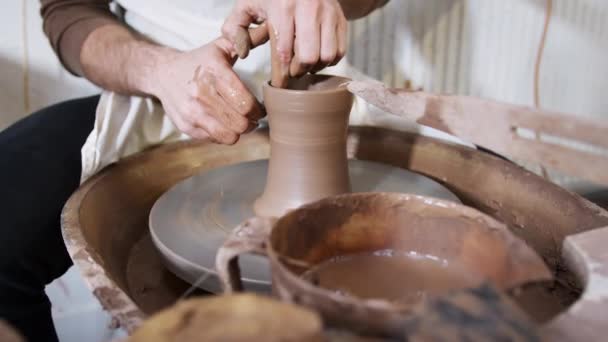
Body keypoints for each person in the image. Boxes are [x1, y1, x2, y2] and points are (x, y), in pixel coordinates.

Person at [0, 0, 389, 340]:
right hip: (164, 87)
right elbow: (67, 10)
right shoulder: (161, 75)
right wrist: (158, 70)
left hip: (317, 84)